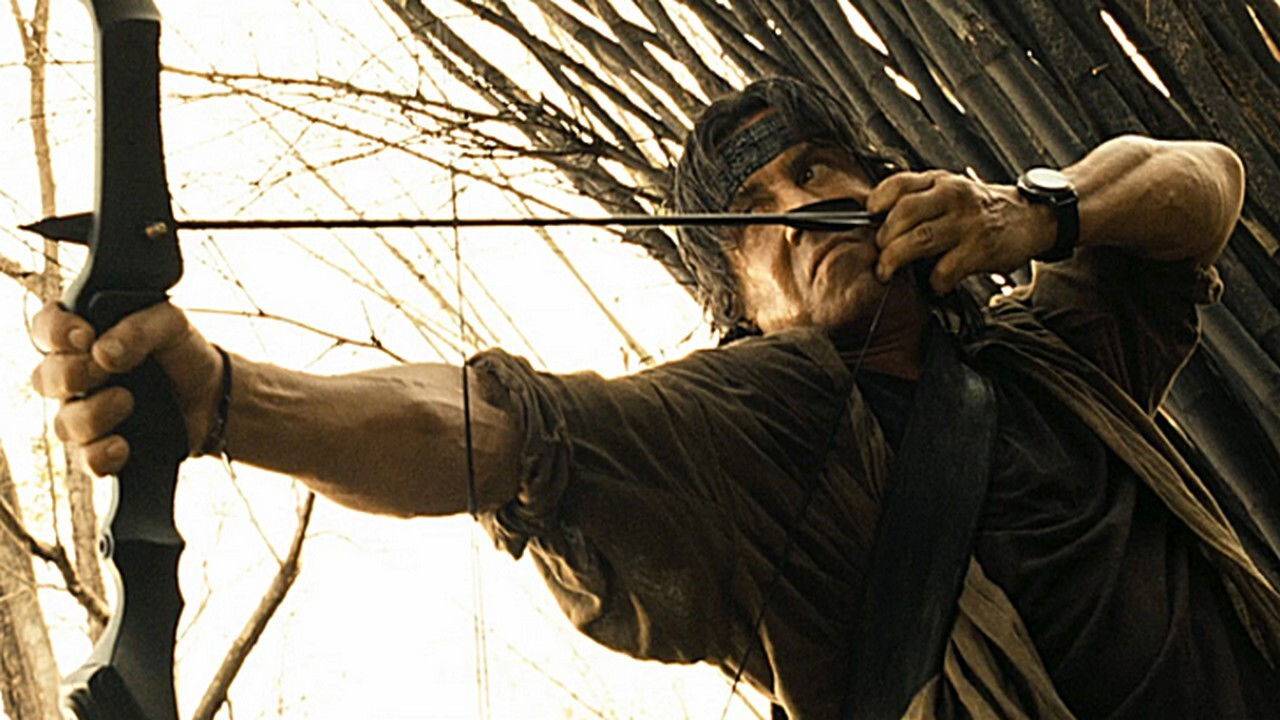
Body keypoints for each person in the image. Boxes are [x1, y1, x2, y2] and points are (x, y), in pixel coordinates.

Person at [31, 77, 1280, 718]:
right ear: (744, 306)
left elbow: (1202, 182)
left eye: (818, 172)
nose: (799, 211)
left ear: (886, 187)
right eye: (755, 217)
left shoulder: (1046, 352)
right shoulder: (758, 423)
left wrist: (1028, 214)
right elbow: (496, 434)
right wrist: (227, 401)